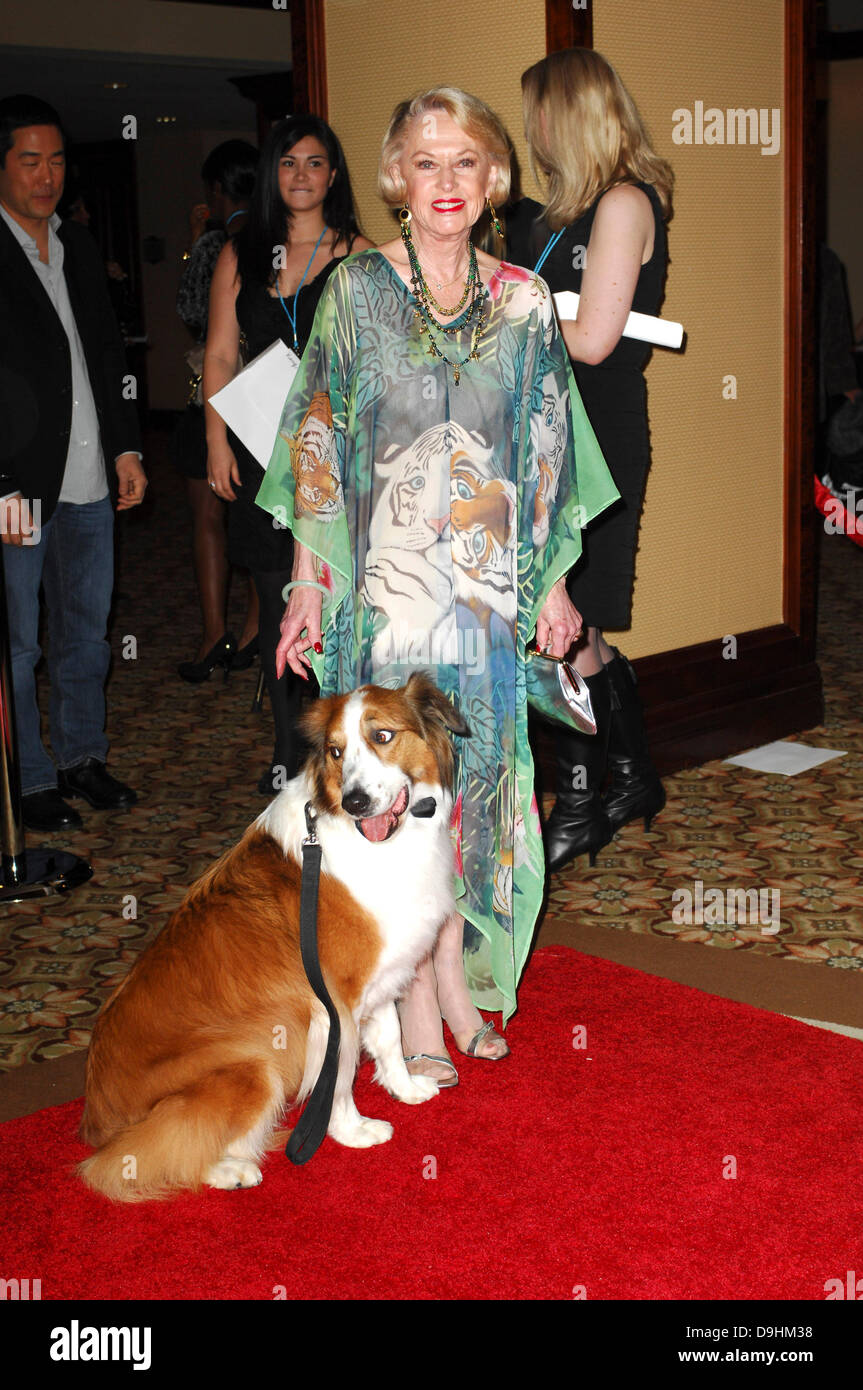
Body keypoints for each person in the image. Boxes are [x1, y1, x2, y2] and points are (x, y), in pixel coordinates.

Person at [255, 88, 617, 1082]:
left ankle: (458, 974)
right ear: (395, 179)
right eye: (425, 162)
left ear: (491, 177)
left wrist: (550, 585)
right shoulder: (357, 293)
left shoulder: (524, 304)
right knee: (403, 799)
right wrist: (304, 586)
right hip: (385, 599)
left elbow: (546, 460)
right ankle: (417, 1000)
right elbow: (318, 451)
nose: (446, 182)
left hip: (485, 602)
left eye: (466, 162)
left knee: (481, 793)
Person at [518, 47, 674, 871]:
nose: (528, 128)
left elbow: (592, 338)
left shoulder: (621, 203)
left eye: (535, 111)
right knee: (569, 624)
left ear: (564, 114)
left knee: (566, 620)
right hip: (548, 432)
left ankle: (582, 799)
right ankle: (626, 777)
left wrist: (505, 312)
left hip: (596, 435)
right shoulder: (555, 212)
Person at [204, 116, 371, 794]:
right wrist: (215, 441)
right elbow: (219, 352)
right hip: (262, 454)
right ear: (272, 174)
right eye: (288, 163)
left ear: (333, 174)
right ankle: (290, 770)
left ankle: (352, 766)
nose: (301, 175)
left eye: (315, 163)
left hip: (341, 463)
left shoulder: (360, 254)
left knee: (341, 613)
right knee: (279, 615)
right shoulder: (240, 254)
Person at [0, 94, 147, 834]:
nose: (46, 175)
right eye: (29, 160)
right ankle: (27, 779)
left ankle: (81, 757)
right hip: (14, 490)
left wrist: (126, 446)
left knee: (86, 630)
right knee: (20, 642)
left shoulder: (78, 245)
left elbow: (106, 353)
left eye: (56, 159)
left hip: (90, 473)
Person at [175, 139, 260, 682]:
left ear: (217, 188)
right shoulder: (279, 239)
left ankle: (215, 634)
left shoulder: (215, 245)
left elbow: (190, 312)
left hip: (216, 390)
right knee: (260, 514)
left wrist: (194, 239)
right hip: (266, 397)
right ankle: (255, 629)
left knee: (209, 519)